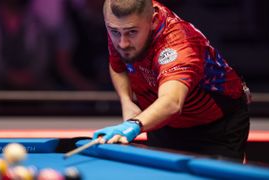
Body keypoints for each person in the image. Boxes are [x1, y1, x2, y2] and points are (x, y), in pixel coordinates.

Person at [93, 0, 251, 161]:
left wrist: (132, 125)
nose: (122, 43)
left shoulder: (179, 44)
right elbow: (118, 65)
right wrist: (127, 101)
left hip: (214, 125)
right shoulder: (123, 22)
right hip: (160, 120)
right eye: (114, 32)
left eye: (132, 32)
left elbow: (172, 102)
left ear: (153, 21)